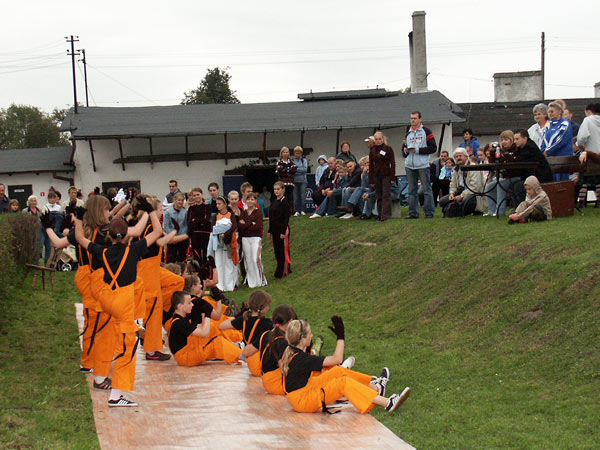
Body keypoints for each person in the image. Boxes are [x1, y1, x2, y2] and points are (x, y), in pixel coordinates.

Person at [75, 205, 162, 407]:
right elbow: (157, 232)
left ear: (110, 236)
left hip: (106, 298)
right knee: (126, 349)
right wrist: (150, 212)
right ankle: (116, 396)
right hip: (123, 302)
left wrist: (78, 217)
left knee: (114, 332)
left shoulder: (102, 251)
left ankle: (137, 321)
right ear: (125, 236)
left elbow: (80, 239)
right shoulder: (134, 249)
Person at [281, 316, 410, 414]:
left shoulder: (294, 351)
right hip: (302, 400)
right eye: (310, 333)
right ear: (302, 339)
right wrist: (341, 336)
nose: (312, 335)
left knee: (338, 372)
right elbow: (337, 359)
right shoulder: (302, 359)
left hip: (303, 391)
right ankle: (387, 403)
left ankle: (377, 387)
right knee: (342, 383)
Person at [131, 196, 177, 362]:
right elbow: (160, 239)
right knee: (153, 311)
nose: (161, 212)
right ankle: (151, 349)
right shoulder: (150, 227)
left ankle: (163, 312)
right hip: (147, 271)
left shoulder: (143, 225)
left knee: (177, 282)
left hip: (152, 269)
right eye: (158, 209)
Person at [168, 291, 241, 367]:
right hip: (186, 357)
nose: (192, 305)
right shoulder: (179, 322)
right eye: (189, 303)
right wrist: (207, 314)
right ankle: (241, 355)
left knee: (212, 329)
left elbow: (202, 327)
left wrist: (204, 314)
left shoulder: (180, 318)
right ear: (180, 306)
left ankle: (232, 347)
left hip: (186, 352)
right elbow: (205, 334)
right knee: (217, 343)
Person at [246, 304, 297, 395]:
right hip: (277, 384)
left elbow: (247, 351)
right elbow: (285, 369)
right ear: (290, 322)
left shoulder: (266, 334)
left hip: (266, 380)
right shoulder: (283, 342)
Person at [219, 290, 273, 376]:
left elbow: (222, 326)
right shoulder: (267, 323)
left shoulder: (244, 320)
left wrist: (237, 317)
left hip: (248, 359)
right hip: (259, 361)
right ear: (263, 307)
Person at [402, 111, 437, 219]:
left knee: (426, 189)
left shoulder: (426, 131)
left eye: (415, 118)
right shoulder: (408, 133)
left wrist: (417, 150)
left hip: (422, 165)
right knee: (412, 190)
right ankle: (413, 213)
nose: (413, 120)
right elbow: (403, 150)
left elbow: (433, 148)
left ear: (420, 119)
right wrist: (405, 151)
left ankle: (429, 212)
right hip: (409, 165)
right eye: (411, 118)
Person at [439, 148, 486, 217]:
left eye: (460, 156)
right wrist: (452, 193)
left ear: (466, 156)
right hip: (460, 192)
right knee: (442, 201)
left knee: (466, 200)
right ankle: (455, 211)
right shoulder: (456, 169)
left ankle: (473, 210)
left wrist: (461, 196)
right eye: (456, 157)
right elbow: (453, 184)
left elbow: (475, 187)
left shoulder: (474, 167)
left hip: (474, 194)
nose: (458, 158)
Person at [512, 129, 554, 204]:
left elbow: (519, 160)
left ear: (525, 138)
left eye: (517, 139)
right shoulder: (521, 148)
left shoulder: (530, 147)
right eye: (514, 139)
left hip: (541, 177)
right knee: (512, 185)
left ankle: (524, 208)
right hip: (531, 176)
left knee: (518, 186)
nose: (515, 141)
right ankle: (519, 208)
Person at [208, 196, 239, 292]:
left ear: (225, 204)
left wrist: (225, 234)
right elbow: (212, 227)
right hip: (218, 242)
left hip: (228, 241)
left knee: (228, 263)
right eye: (216, 204)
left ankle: (229, 284)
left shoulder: (230, 214)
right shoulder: (215, 216)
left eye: (219, 204)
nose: (217, 206)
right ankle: (220, 284)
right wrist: (218, 233)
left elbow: (233, 226)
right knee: (219, 263)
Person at [485, 131, 517, 216]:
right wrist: (492, 152)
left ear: (511, 140)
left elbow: (510, 163)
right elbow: (494, 163)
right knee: (489, 187)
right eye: (502, 140)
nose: (503, 142)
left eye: (506, 139)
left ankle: (500, 211)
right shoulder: (500, 151)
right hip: (505, 177)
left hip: (515, 176)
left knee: (500, 184)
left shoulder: (515, 150)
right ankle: (491, 211)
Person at [238, 193, 267, 288]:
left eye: (252, 199)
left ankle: (261, 280)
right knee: (248, 260)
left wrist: (246, 224)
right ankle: (252, 282)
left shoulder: (258, 212)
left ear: (255, 201)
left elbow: (258, 226)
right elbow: (240, 227)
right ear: (245, 201)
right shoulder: (243, 213)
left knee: (256, 259)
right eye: (248, 199)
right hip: (245, 238)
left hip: (255, 238)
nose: (250, 201)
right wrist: (251, 223)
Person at [542, 101, 573, 181]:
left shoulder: (565, 124)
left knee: (562, 184)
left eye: (552, 111)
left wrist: (548, 152)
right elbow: (544, 141)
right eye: (549, 112)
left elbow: (561, 140)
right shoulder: (548, 126)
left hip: (563, 161)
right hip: (550, 161)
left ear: (559, 111)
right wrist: (543, 152)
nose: (550, 114)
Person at [369, 131, 395, 222]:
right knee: (379, 195)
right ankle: (379, 214)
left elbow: (393, 163)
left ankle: (386, 215)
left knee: (386, 195)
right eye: (376, 139)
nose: (378, 141)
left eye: (380, 139)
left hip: (386, 174)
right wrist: (371, 179)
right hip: (376, 175)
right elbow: (371, 165)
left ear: (383, 139)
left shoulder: (388, 149)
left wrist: (392, 177)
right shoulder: (372, 150)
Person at [269, 181, 292, 278]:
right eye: (275, 189)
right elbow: (271, 217)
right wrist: (269, 230)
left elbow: (286, 217)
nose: (276, 191)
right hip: (274, 229)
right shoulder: (274, 201)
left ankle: (284, 270)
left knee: (283, 250)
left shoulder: (285, 201)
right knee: (277, 250)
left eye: (278, 189)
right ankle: (280, 268)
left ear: (283, 189)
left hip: (282, 229)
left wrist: (283, 231)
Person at [187, 187, 212, 265]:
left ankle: (207, 273)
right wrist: (198, 222)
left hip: (205, 233)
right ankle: (198, 273)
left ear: (202, 195)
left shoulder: (207, 206)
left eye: (198, 194)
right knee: (196, 255)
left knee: (205, 254)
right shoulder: (191, 208)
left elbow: (206, 219)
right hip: (195, 234)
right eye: (194, 195)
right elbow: (189, 221)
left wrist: (195, 220)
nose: (196, 197)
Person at [163, 192, 189, 263]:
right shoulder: (168, 212)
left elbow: (186, 225)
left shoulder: (185, 212)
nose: (180, 202)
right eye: (178, 200)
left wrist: (182, 236)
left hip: (182, 238)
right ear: (174, 200)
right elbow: (166, 225)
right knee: (170, 258)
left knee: (182, 258)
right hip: (172, 238)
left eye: (182, 200)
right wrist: (172, 235)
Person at [276, 147, 297, 213]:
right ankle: (284, 211)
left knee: (290, 197)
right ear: (281, 154)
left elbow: (294, 170)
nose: (285, 154)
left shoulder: (291, 162)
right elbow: (280, 172)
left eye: (287, 152)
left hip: (290, 183)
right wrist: (288, 170)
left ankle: (292, 211)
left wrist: (285, 170)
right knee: (283, 197)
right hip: (282, 183)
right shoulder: (279, 162)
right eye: (284, 152)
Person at [292, 146, 308, 216]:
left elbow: (305, 169)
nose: (297, 154)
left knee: (302, 196)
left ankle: (303, 210)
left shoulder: (304, 160)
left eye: (299, 153)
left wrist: (296, 169)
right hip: (294, 181)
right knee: (295, 197)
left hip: (303, 181)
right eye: (296, 153)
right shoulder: (292, 161)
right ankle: (296, 211)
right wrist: (299, 170)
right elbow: (292, 171)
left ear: (301, 153)